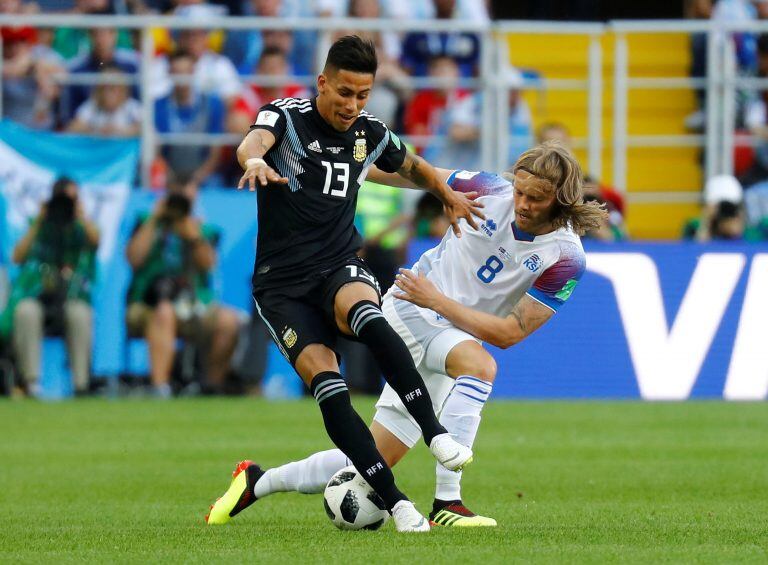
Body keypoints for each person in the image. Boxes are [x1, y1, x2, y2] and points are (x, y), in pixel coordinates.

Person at [207, 141, 607, 527]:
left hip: (442, 314)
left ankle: (256, 481)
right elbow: (421, 176)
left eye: (535, 199)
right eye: (519, 191)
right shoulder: (489, 189)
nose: (521, 204)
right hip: (410, 306)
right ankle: (448, 502)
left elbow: (509, 333)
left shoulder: (566, 258)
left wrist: (440, 303)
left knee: (372, 459)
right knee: (480, 366)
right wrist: (354, 170)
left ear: (561, 200)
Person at [205, 35, 484, 533]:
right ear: (323, 83)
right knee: (329, 386)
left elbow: (413, 166)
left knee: (370, 316)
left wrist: (446, 192)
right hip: (282, 286)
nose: (352, 105)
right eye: (344, 93)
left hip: (337, 264)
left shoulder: (368, 132)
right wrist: (251, 160)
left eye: (363, 95)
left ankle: (435, 432)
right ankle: (397, 504)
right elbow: (255, 140)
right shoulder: (286, 116)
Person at [125, 185, 240, 397]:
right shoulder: (146, 222)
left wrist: (194, 236)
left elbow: (209, 265)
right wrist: (154, 219)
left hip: (194, 302)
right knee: (164, 312)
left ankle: (211, 389)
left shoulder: (203, 230)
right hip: (147, 305)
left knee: (229, 321)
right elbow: (133, 259)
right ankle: (160, 389)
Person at [1, 177, 99, 397]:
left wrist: (80, 216)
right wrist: (40, 219)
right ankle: (31, 383)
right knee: (26, 311)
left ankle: (81, 385)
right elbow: (17, 256)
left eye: (72, 200)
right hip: (40, 296)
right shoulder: (38, 225)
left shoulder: (82, 228)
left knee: (81, 314)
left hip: (70, 297)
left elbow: (96, 241)